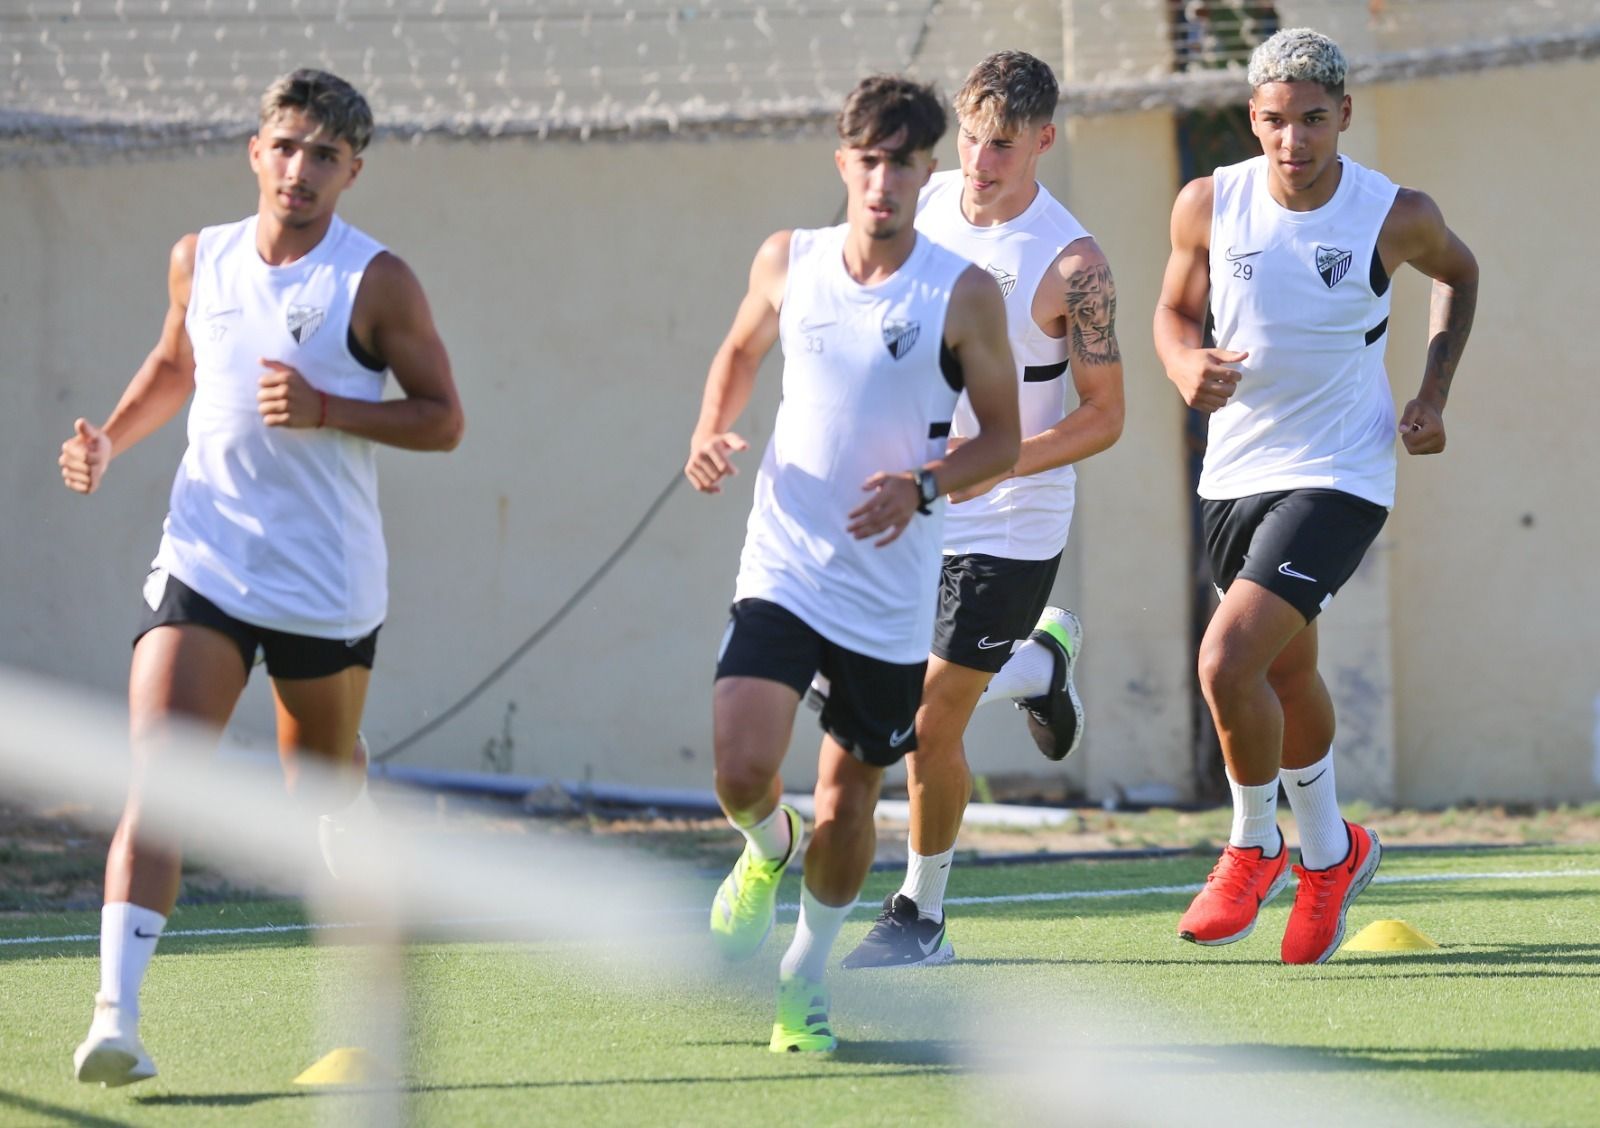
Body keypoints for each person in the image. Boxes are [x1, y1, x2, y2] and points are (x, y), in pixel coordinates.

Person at [59, 69, 464, 1085]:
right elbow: (176, 366)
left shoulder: (377, 282)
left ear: (351, 171)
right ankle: (116, 1018)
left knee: (319, 797)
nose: (300, 170)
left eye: (324, 155)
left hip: (325, 585)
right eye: (285, 147)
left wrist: (332, 409)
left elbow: (442, 417)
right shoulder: (200, 257)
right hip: (205, 560)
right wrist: (110, 440)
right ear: (255, 150)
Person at [684, 74, 1020, 1052]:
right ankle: (761, 848)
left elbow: (999, 440)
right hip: (784, 560)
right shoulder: (788, 260)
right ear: (844, 165)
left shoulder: (960, 293)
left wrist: (922, 487)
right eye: (867, 162)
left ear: (929, 173)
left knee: (849, 802)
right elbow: (740, 351)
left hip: (887, 589)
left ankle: (804, 972)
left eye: (903, 165)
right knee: (741, 767)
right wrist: (711, 429)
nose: (882, 183)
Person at [1152, 28, 1477, 965]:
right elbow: (1175, 310)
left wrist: (1432, 395)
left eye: (1311, 119)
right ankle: (1334, 855)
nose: (1291, 140)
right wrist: (1183, 364)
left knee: (1225, 663)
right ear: (1252, 119)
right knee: (1284, 675)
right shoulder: (1209, 201)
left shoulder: (1393, 213)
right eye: (1273, 121)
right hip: (1234, 471)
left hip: (1341, 472)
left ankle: (1254, 843)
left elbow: (1460, 272)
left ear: (1344, 115)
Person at [838, 50, 1125, 970]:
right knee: (909, 704)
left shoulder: (1075, 264)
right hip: (917, 499)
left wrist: (1003, 466)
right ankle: (1038, 669)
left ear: (1045, 140)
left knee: (927, 721)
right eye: (970, 138)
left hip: (1011, 519)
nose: (982, 160)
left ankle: (920, 918)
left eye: (1002, 144)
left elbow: (1106, 416)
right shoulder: (921, 208)